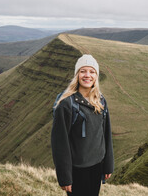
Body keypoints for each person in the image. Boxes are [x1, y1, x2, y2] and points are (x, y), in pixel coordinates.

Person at [51, 54, 114, 196]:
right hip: (77, 170)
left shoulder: (101, 101)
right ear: (77, 75)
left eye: (92, 72)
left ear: (96, 76)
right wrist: (65, 176)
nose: (87, 75)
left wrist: (108, 164)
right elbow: (59, 143)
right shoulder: (66, 105)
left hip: (97, 166)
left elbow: (106, 133)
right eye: (83, 71)